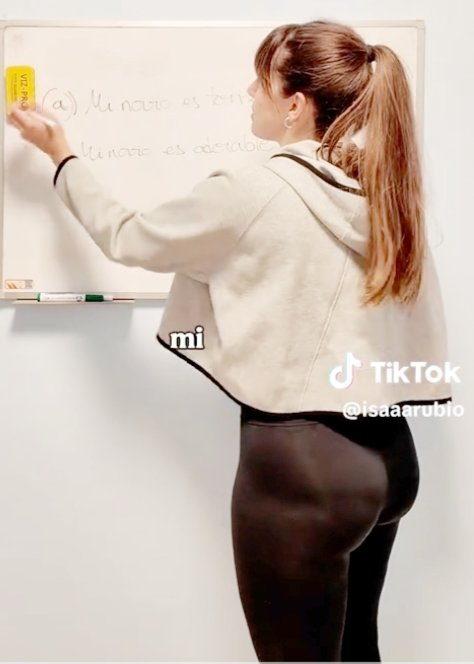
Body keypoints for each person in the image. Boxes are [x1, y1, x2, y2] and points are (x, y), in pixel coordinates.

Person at [8, 18, 452, 663]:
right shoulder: (377, 186)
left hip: (305, 471)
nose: (249, 92)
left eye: (260, 82)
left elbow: (131, 237)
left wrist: (62, 157)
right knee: (359, 652)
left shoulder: (255, 188)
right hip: (389, 459)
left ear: (295, 105)